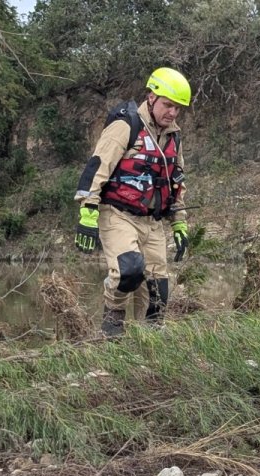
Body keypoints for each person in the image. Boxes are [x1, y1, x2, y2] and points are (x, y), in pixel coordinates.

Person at [73, 67, 192, 337]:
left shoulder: (173, 136)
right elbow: (96, 169)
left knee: (158, 289)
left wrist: (179, 224)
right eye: (168, 105)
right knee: (128, 271)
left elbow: (176, 182)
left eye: (178, 108)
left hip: (152, 221)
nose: (172, 113)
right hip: (117, 214)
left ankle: (147, 343)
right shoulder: (126, 125)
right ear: (151, 97)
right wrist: (87, 212)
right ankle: (112, 328)